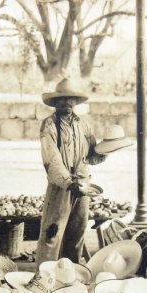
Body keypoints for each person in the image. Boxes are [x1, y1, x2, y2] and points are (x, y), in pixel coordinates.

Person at [36, 77, 106, 266]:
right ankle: (45, 277)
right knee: (52, 234)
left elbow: (91, 156)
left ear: (75, 102)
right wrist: (68, 183)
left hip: (82, 185)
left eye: (71, 99)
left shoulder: (83, 125)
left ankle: (70, 274)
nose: (67, 103)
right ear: (55, 102)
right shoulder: (49, 125)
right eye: (62, 99)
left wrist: (104, 151)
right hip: (61, 186)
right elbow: (52, 160)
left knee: (77, 233)